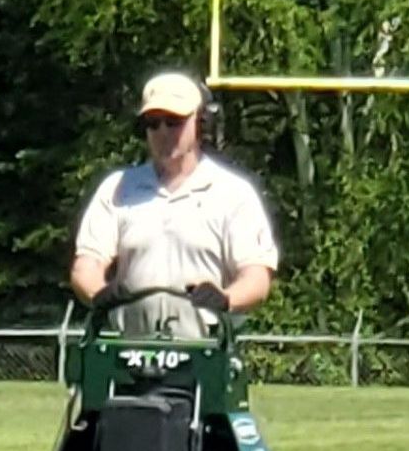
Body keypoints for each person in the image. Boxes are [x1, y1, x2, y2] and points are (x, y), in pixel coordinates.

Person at [70, 72, 278, 336]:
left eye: (174, 121)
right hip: (130, 352)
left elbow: (257, 278)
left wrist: (226, 299)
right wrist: (98, 293)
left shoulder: (233, 193)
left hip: (206, 352)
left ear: (201, 123)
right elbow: (86, 264)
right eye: (153, 123)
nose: (163, 132)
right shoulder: (118, 188)